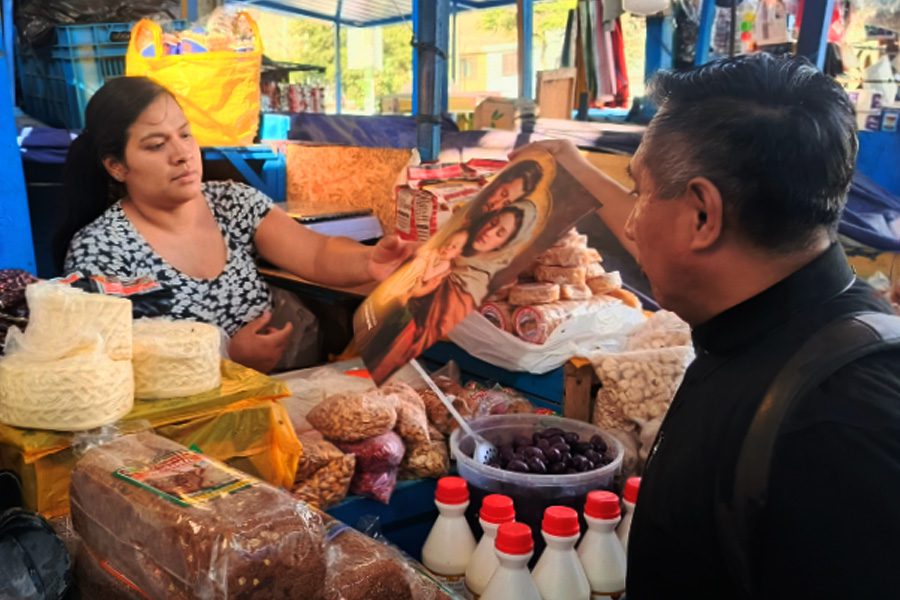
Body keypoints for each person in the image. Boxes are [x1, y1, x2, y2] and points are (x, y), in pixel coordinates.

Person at [522, 53, 900, 598]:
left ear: (702, 216)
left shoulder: (838, 432)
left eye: (642, 193)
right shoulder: (760, 328)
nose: (631, 220)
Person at [59, 76, 413, 373]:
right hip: (185, 432)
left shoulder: (231, 203)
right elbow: (108, 367)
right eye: (156, 145)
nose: (182, 153)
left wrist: (368, 262)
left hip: (271, 401)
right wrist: (228, 359)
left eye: (185, 134)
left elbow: (316, 252)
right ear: (117, 166)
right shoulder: (102, 251)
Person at [370, 202, 535, 382]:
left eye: (500, 233)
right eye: (493, 222)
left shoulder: (482, 276)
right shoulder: (456, 240)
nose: (489, 232)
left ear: (503, 244)